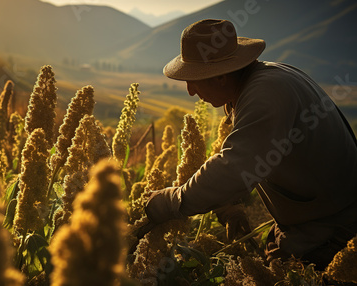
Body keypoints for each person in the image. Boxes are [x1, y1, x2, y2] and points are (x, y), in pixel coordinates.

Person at [145, 19, 357, 269]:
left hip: (333, 225)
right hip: (314, 217)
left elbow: (234, 166)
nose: (190, 90)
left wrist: (171, 201)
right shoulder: (259, 82)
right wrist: (228, 204)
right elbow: (253, 153)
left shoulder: (265, 94)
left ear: (221, 75)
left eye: (194, 78)